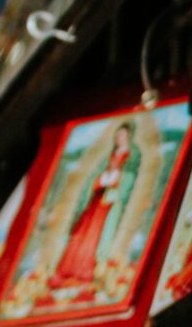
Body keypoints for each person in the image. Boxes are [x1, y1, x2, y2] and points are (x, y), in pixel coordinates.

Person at [50, 121, 140, 291]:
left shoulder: (132, 156)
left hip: (111, 202)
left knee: (98, 236)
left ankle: (87, 273)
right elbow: (95, 177)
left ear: (129, 137)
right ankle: (68, 271)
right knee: (82, 234)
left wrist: (118, 177)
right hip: (97, 201)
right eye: (117, 135)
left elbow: (130, 177)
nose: (119, 139)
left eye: (122, 135)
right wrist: (101, 179)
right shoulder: (108, 157)